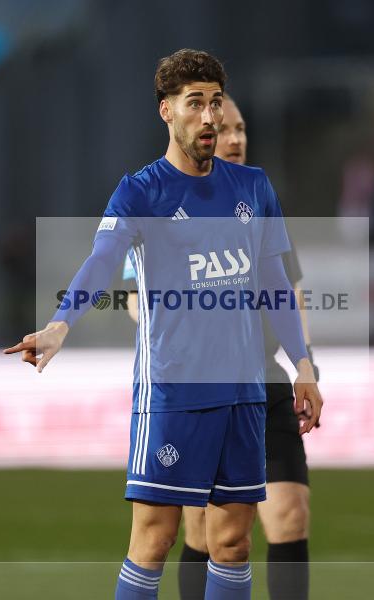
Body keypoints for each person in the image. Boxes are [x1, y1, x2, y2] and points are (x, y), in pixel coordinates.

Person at [4, 49, 322, 600]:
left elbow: (275, 285)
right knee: (154, 540)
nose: (209, 117)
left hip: (245, 395)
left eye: (215, 103)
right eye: (194, 103)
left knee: (234, 545)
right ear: (166, 111)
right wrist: (61, 324)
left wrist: (304, 366)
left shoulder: (253, 188)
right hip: (173, 394)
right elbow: (103, 258)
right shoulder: (140, 191)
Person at [124, 96, 315, 600]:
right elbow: (131, 297)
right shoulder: (161, 201)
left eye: (240, 128)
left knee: (288, 515)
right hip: (195, 386)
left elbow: (287, 291)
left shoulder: (258, 200)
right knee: (195, 535)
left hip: (261, 385)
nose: (232, 137)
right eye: (222, 127)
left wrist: (305, 365)